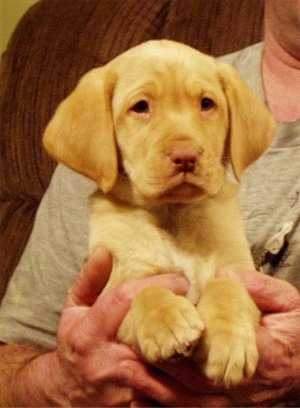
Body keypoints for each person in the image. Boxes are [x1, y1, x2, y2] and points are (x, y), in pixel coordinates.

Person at [1, 0, 300, 405]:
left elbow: (234, 287)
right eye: (141, 106)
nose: (185, 146)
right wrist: (61, 381)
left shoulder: (229, 99)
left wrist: (231, 308)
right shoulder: (105, 168)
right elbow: (15, 363)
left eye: (205, 105)